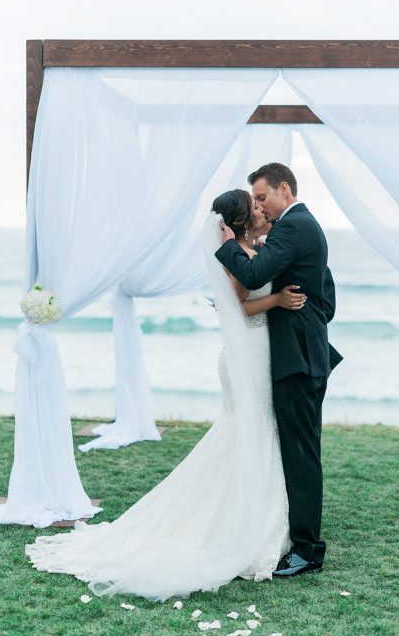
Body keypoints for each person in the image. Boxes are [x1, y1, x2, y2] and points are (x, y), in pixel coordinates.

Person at [24, 189, 304, 601]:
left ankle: (256, 514)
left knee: (256, 427)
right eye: (255, 205)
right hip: (248, 352)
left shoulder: (253, 249)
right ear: (242, 219)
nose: (261, 208)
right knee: (250, 426)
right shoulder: (238, 256)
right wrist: (277, 299)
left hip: (256, 352)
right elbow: (234, 307)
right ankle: (240, 524)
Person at [216, 163, 342, 578]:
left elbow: (252, 273)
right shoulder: (301, 227)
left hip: (297, 359)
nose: (260, 206)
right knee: (299, 449)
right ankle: (298, 537)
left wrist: (228, 244)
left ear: (283, 189)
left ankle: (307, 550)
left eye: (263, 197)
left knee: (301, 454)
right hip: (303, 354)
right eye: (254, 201)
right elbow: (328, 300)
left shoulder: (293, 227)